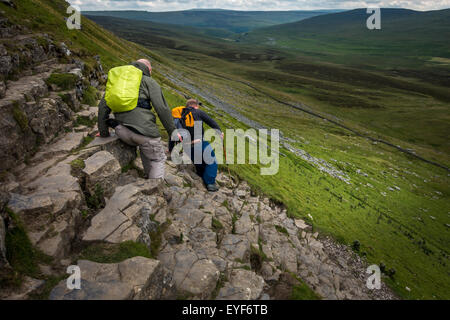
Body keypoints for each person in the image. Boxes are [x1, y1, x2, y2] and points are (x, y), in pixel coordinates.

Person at [97, 59, 177, 179]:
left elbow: (103, 107)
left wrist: (104, 132)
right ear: (149, 70)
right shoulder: (148, 80)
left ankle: (147, 175)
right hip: (144, 134)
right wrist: (172, 132)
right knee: (157, 159)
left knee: (145, 149)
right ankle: (154, 189)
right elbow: (162, 109)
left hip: (121, 131)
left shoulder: (118, 81)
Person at [175, 99, 223, 192]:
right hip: (199, 142)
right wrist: (219, 132)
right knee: (211, 161)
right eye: (198, 105)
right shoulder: (198, 112)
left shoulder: (180, 115)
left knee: (199, 162)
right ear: (195, 106)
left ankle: (202, 175)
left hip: (187, 145)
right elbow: (211, 121)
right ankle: (210, 183)